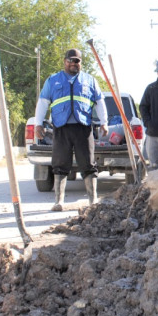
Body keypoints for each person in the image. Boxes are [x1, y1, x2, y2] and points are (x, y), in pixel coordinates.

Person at [35, 49, 108, 210]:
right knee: (60, 164)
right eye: (71, 60)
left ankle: (93, 200)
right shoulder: (53, 80)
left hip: (83, 128)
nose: (74, 63)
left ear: (81, 62)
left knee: (88, 163)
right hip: (61, 128)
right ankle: (59, 201)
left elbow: (100, 101)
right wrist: (38, 123)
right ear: (65, 61)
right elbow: (43, 102)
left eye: (77, 61)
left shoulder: (89, 80)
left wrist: (104, 122)